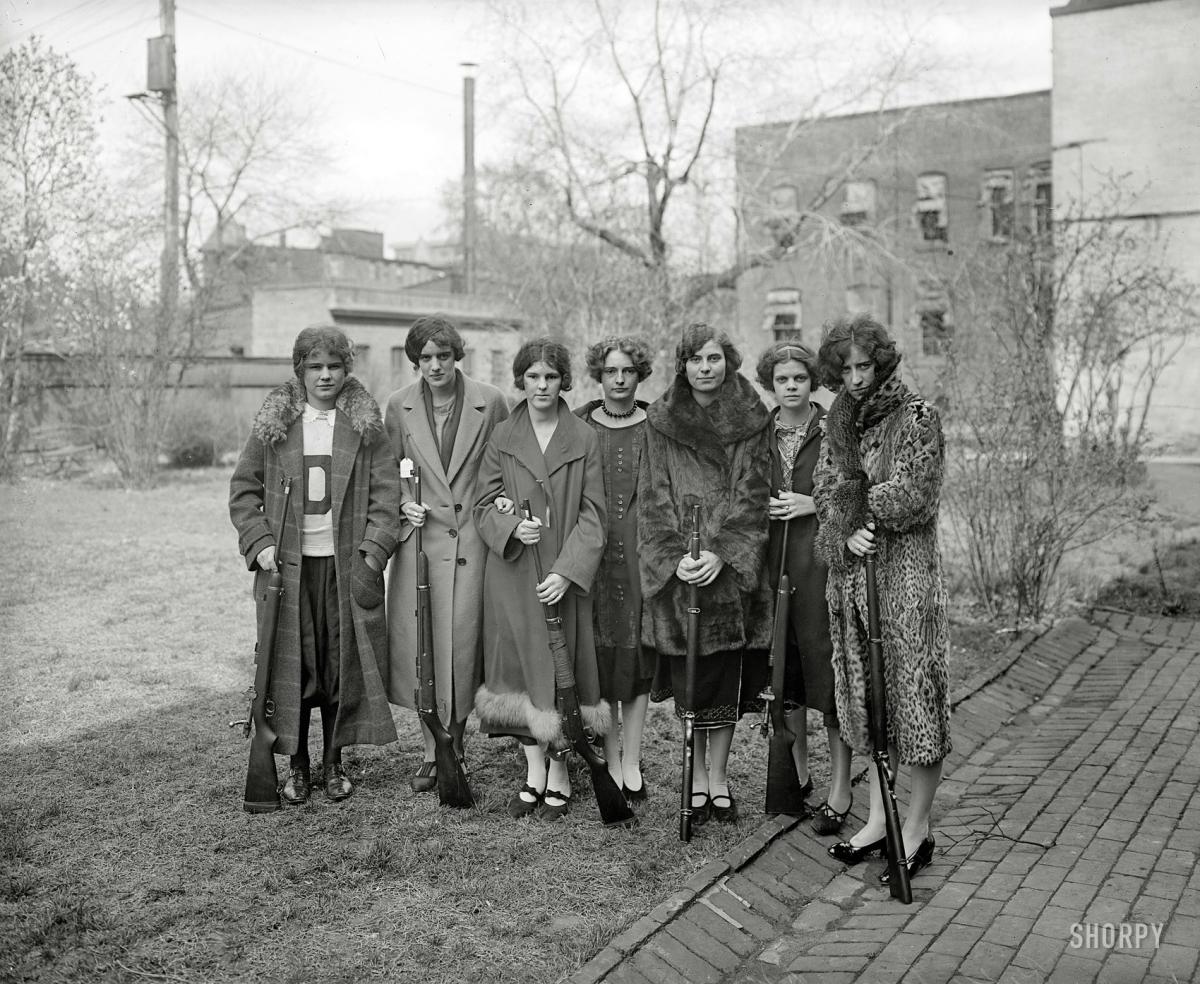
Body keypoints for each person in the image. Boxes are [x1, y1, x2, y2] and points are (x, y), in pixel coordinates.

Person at [229, 324, 401, 804]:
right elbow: (243, 491)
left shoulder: (364, 426)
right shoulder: (276, 426)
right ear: (299, 370)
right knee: (295, 666)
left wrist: (372, 552)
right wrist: (260, 542)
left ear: (348, 369)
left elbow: (388, 496)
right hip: (288, 570)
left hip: (345, 568)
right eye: (315, 367)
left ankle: (333, 764)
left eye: (335, 366)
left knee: (336, 665)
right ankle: (298, 765)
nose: (325, 376)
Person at [813, 313, 951, 882]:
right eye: (845, 369)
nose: (856, 379)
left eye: (864, 366)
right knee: (868, 703)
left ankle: (916, 827)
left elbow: (916, 492)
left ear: (883, 362)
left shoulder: (917, 415)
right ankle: (877, 818)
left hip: (905, 584)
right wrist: (843, 524)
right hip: (852, 581)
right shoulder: (838, 422)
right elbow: (824, 486)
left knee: (915, 701)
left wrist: (860, 505)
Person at [640, 323, 771, 825]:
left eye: (714, 358)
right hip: (682, 573)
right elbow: (652, 496)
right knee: (693, 684)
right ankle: (694, 778)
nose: (705, 368)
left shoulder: (752, 417)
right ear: (683, 365)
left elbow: (754, 493)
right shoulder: (662, 420)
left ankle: (719, 778)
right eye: (696, 359)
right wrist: (676, 556)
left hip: (731, 575)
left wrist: (724, 552)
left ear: (728, 361)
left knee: (727, 682)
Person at [473, 338, 608, 820]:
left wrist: (568, 572)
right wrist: (512, 525)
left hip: (562, 577)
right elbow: (483, 505)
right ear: (521, 381)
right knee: (521, 672)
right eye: (533, 377)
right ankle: (533, 772)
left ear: (564, 381)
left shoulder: (584, 438)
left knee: (561, 671)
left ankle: (562, 773)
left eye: (551, 376)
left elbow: (594, 516)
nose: (542, 385)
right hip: (514, 574)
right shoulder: (503, 436)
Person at [382, 315, 510, 792]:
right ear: (415, 361)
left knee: (460, 647)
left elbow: (506, 465)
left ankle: (453, 747)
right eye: (424, 358)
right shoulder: (397, 405)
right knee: (422, 648)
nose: (434, 365)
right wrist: (402, 502)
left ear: (458, 354)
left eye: (442, 355)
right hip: (420, 545)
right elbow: (385, 471)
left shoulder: (492, 401)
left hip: (474, 546)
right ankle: (431, 748)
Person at [756, 340, 853, 834]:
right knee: (783, 678)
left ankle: (841, 787)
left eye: (798, 378)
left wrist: (812, 503)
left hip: (822, 569)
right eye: (781, 380)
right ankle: (795, 774)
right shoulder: (761, 432)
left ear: (811, 381)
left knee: (829, 679)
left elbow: (855, 487)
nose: (791, 387)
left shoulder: (835, 427)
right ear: (769, 384)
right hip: (773, 570)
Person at [576, 335, 655, 799]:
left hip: (642, 556)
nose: (620, 380)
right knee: (602, 655)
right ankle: (607, 751)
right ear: (599, 376)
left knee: (637, 656)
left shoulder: (657, 425)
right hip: (594, 555)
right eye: (611, 372)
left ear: (639, 374)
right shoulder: (582, 424)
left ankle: (632, 755)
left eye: (627, 371)